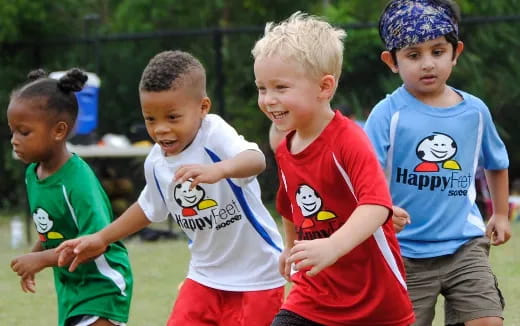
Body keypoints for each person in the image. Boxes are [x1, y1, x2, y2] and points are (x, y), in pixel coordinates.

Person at [56, 50, 286, 326]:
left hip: (258, 276)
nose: (160, 129)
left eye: (173, 117)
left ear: (202, 108)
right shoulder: (155, 162)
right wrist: (102, 238)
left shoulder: (213, 134)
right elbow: (148, 207)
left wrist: (218, 170)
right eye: (150, 119)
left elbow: (256, 160)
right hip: (205, 276)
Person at [252, 12, 415, 326]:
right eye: (262, 88)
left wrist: (333, 245)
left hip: (375, 303)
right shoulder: (285, 147)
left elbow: (376, 204)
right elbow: (289, 205)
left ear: (324, 87)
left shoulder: (349, 139)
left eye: (280, 87)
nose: (269, 99)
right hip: (313, 294)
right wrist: (291, 249)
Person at [363, 1, 511, 325]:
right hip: (405, 252)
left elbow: (496, 162)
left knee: (487, 320)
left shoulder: (474, 111)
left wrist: (500, 214)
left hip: (465, 244)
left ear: (455, 52)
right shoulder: (387, 114)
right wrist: (382, 211)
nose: (427, 64)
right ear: (392, 61)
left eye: (438, 51)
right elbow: (364, 176)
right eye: (413, 55)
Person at [8, 68, 133, 326]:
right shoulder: (34, 174)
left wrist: (40, 260)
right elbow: (51, 230)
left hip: (102, 286)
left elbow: (97, 242)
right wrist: (35, 256)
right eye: (12, 132)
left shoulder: (79, 183)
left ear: (58, 131)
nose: (14, 141)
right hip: (72, 289)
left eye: (24, 132)